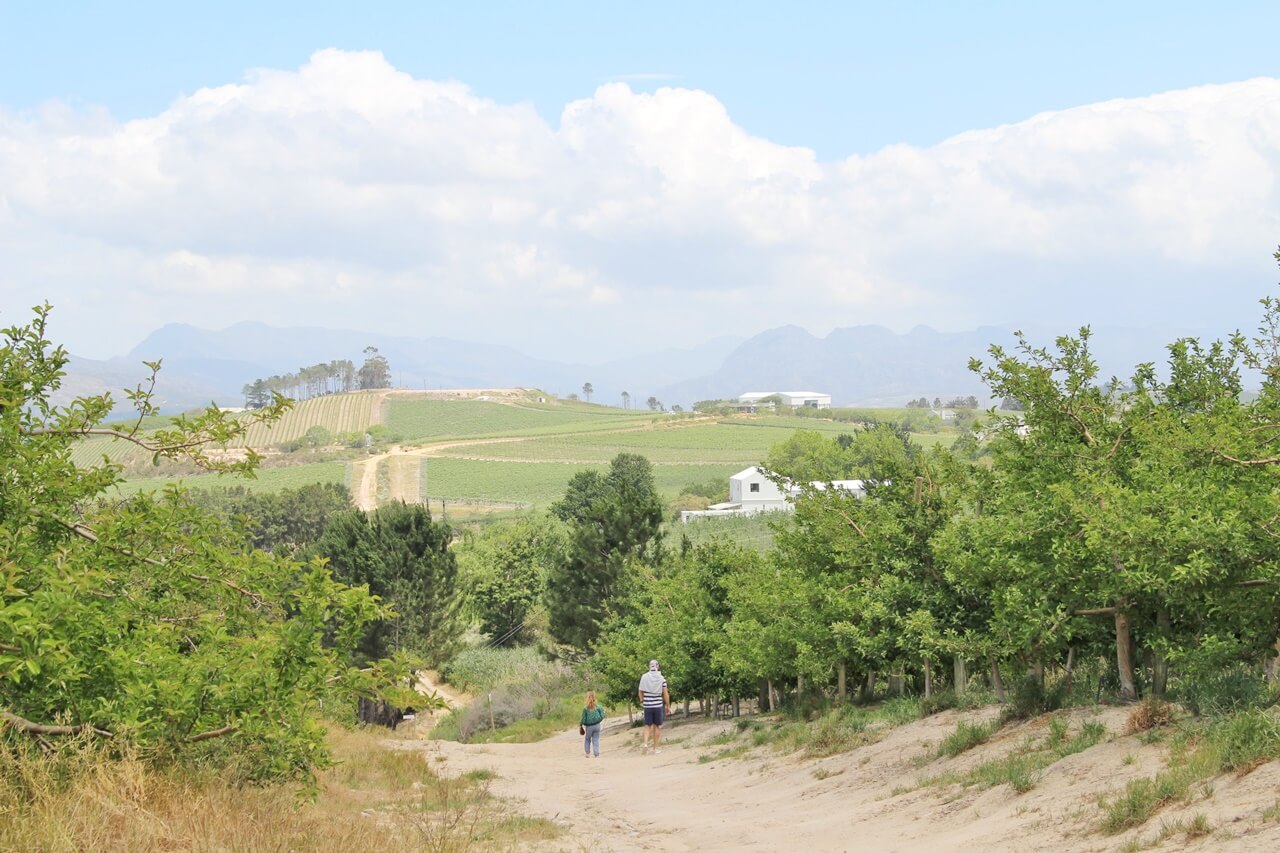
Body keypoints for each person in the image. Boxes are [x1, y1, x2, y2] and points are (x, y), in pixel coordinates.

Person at [637, 659, 670, 754]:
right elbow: (665, 694)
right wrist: (668, 705)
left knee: (647, 726)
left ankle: (645, 744)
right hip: (658, 705)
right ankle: (655, 748)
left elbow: (640, 691)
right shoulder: (661, 678)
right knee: (657, 726)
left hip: (647, 705)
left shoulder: (644, 677)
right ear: (657, 666)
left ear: (649, 666)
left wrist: (642, 700)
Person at [580, 691, 606, 758]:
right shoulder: (598, 706)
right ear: (595, 697)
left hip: (589, 727)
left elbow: (583, 719)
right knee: (596, 739)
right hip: (597, 725)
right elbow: (602, 715)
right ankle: (596, 754)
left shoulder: (585, 708)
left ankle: (587, 753)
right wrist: (599, 720)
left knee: (587, 739)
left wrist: (581, 724)